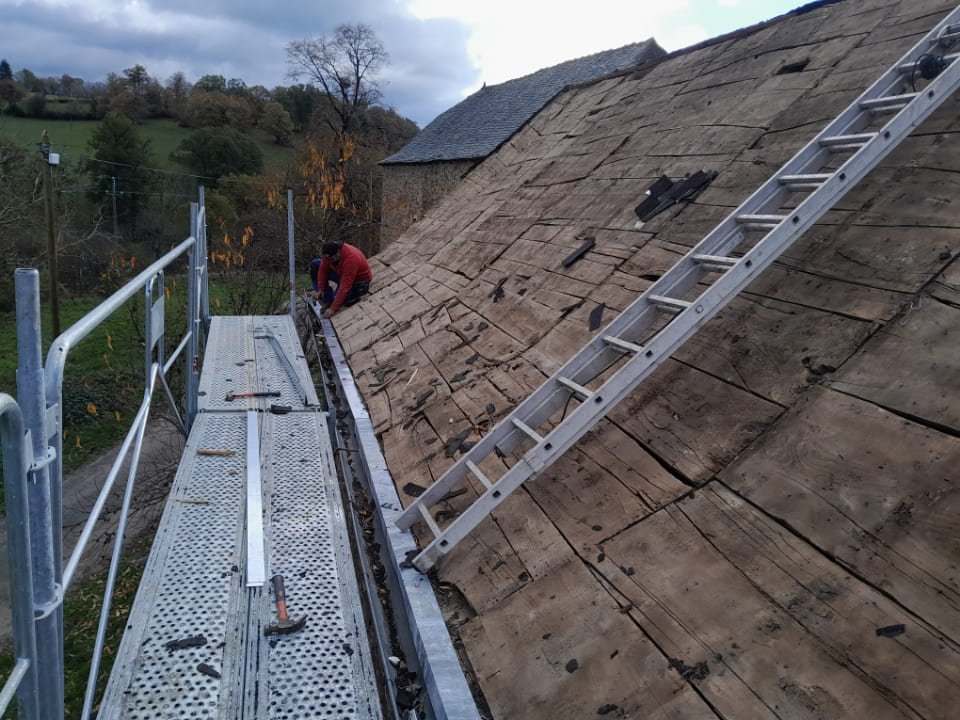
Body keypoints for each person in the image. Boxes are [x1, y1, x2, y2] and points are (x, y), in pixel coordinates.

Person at [311, 241, 373, 318]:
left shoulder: (350, 259)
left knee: (344, 299)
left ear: (338, 253)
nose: (329, 261)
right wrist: (321, 289)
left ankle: (336, 301)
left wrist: (333, 309)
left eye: (331, 259)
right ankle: (328, 300)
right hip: (342, 273)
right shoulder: (329, 252)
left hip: (358, 281)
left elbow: (344, 287)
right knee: (315, 264)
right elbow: (323, 269)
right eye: (328, 259)